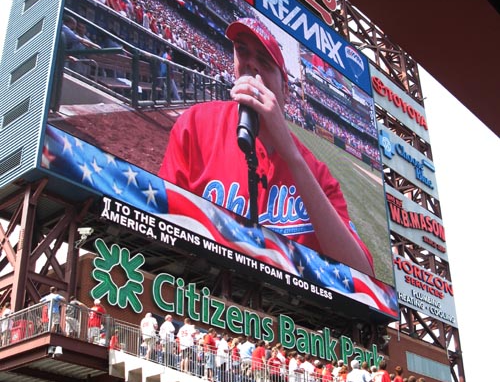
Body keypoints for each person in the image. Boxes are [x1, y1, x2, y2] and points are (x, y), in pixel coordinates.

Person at [159, 17, 374, 276]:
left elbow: (364, 275)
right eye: (242, 51)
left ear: (285, 88)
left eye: (264, 61)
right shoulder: (196, 125)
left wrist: (291, 156)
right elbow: (161, 222)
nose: (251, 65)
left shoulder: (317, 174)